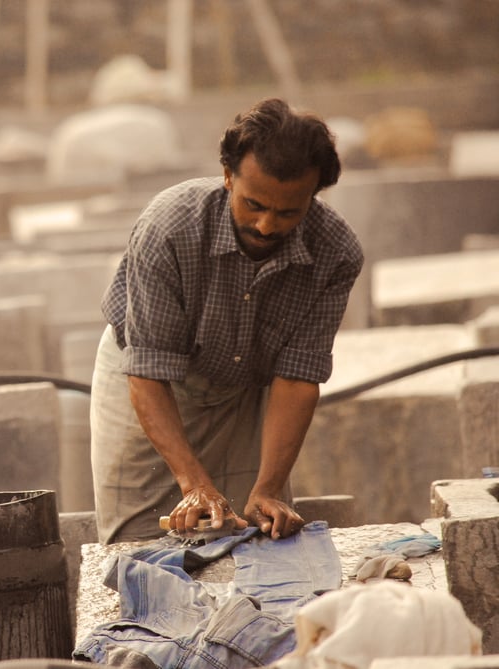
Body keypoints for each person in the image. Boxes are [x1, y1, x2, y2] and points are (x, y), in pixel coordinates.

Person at [91, 98, 364, 544]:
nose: (266, 225)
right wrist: (194, 484)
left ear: (313, 196)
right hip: (148, 379)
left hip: (246, 389)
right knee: (138, 539)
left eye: (288, 212)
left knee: (258, 529)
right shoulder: (169, 227)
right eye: (252, 204)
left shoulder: (335, 253)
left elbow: (297, 378)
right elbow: (147, 372)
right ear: (226, 176)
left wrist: (269, 487)